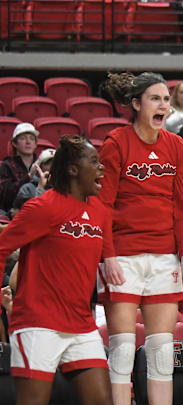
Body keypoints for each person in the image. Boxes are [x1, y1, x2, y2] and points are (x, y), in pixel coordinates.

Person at [98, 71, 183, 405]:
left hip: (163, 258)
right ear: (136, 104)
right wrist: (108, 256)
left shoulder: (176, 145)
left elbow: (179, 208)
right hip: (123, 256)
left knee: (161, 353)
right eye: (156, 98)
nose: (164, 105)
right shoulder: (116, 142)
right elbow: (103, 205)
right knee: (123, 351)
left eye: (166, 99)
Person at [0, 135, 114, 405]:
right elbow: (2, 246)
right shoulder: (42, 207)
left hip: (81, 324)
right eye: (94, 162)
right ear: (73, 169)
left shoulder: (99, 210)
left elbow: (107, 245)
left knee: (101, 400)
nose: (101, 169)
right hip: (38, 323)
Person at [0, 123, 39, 213]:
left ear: (36, 144)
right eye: (23, 138)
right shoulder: (7, 165)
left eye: (32, 139)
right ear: (14, 143)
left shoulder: (42, 164)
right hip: (12, 212)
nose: (28, 142)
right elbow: (5, 196)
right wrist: (29, 176)